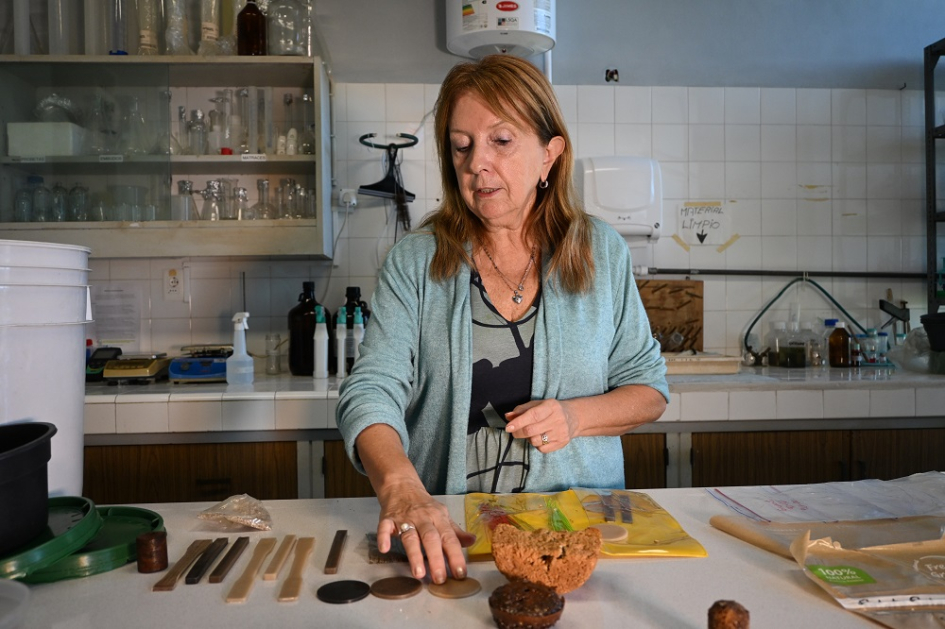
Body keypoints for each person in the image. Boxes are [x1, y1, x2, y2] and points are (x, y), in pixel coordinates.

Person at [336, 54, 668, 586]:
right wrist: (401, 487)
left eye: (502, 141)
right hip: (449, 538)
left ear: (549, 155)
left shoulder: (601, 252)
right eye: (461, 145)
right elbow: (371, 389)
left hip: (576, 540)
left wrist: (575, 417)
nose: (477, 163)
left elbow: (648, 391)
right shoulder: (415, 261)